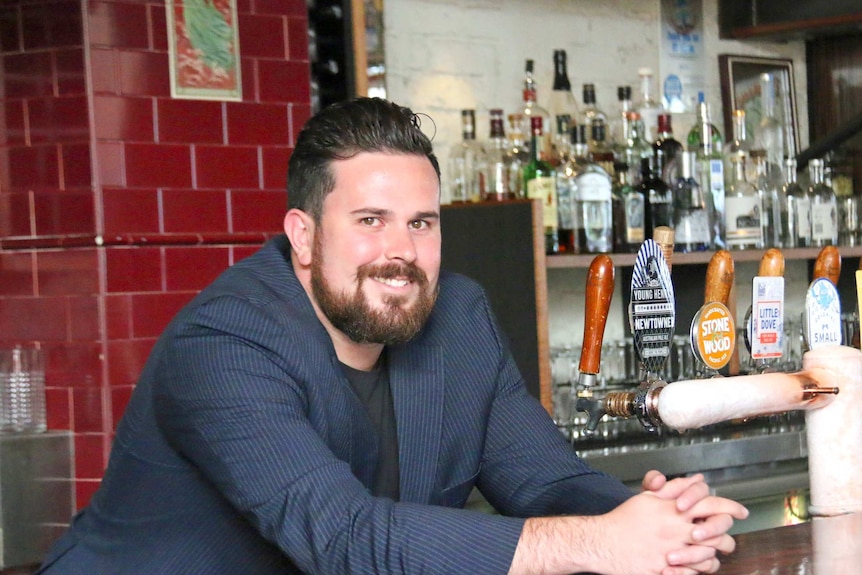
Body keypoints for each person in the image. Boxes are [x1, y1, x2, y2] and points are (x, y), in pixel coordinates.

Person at [38, 97, 746, 575]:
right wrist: (599, 543)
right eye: (370, 220)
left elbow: (544, 477)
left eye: (422, 222)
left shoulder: (456, 317)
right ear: (304, 236)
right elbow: (341, 535)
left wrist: (654, 521)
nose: (400, 250)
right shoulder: (226, 342)